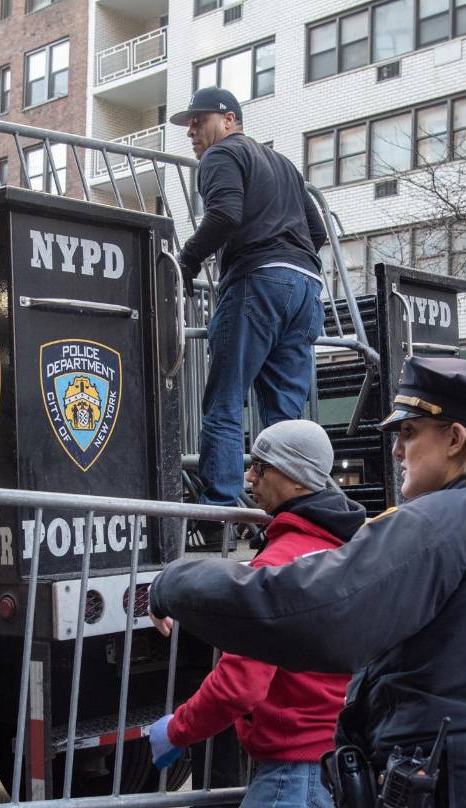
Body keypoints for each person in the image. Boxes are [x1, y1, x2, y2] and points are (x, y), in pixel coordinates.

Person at [150, 356, 466, 808]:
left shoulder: (438, 522)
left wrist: (173, 582)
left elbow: (310, 613)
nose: (396, 451)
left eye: (409, 433)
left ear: (455, 438)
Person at [147, 420, 366, 808]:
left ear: (297, 479)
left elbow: (237, 686)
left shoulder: (278, 566)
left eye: (261, 467)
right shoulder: (344, 552)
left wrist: (176, 731)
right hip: (339, 767)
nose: (249, 476)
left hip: (292, 779)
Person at [169, 87, 329, 519]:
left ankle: (220, 513)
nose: (191, 133)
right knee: (284, 417)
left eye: (198, 122)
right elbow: (319, 234)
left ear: (229, 120)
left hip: (258, 282)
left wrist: (183, 262)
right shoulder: (284, 165)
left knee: (225, 401)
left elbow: (224, 216)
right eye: (189, 125)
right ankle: (294, 515)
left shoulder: (220, 157)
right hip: (306, 286)